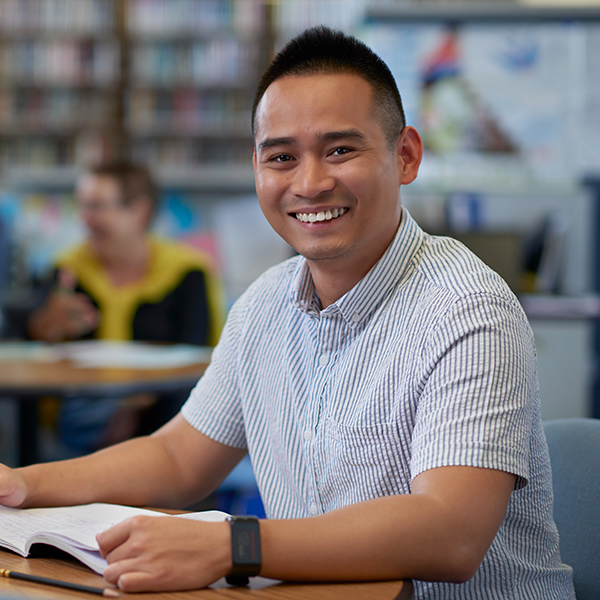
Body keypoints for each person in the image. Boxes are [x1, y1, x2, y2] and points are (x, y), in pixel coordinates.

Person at [0, 27, 575, 599]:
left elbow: (451, 533)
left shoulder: (468, 309)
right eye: (281, 157)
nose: (310, 182)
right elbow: (178, 458)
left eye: (340, 150)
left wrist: (235, 546)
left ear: (405, 156)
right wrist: (21, 485)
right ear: (256, 169)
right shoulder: (264, 305)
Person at [24, 161, 225, 452]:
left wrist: (130, 405)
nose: (85, 219)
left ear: (139, 211)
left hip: (164, 406)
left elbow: (194, 357)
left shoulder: (188, 271)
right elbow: (31, 342)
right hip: (84, 409)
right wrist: (47, 323)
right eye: (81, 206)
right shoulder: (67, 269)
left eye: (97, 207)